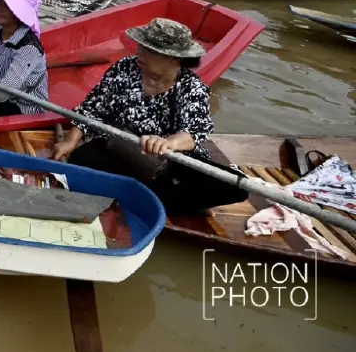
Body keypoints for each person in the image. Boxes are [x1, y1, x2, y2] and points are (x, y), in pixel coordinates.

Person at [50, 18, 247, 215]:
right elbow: (92, 108)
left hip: (169, 160)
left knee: (236, 186)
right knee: (82, 158)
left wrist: (167, 143)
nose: (140, 54)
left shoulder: (190, 87)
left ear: (175, 58)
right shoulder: (125, 67)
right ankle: (161, 200)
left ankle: (147, 198)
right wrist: (69, 141)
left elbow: (194, 131)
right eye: (142, 47)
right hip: (120, 149)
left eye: (151, 51)